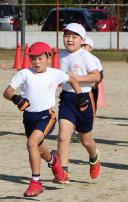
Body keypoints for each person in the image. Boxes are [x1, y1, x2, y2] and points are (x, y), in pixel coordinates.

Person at [2, 42, 85, 197]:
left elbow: (73, 80)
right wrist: (15, 98)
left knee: (31, 143)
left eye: (40, 58)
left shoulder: (55, 73)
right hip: (29, 118)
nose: (36, 62)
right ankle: (55, 163)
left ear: (48, 57)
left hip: (47, 116)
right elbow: (6, 92)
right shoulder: (24, 73)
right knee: (39, 150)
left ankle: (36, 182)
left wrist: (80, 97)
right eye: (33, 58)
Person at [57, 23, 101, 184]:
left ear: (81, 40)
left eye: (74, 37)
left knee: (86, 140)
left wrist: (74, 78)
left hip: (84, 99)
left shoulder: (86, 56)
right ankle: (63, 172)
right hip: (67, 99)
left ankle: (94, 157)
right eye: (66, 36)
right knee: (63, 137)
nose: (69, 40)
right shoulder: (61, 55)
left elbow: (96, 76)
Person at [71, 36, 104, 143]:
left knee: (89, 111)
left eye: (86, 46)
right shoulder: (74, 57)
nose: (83, 47)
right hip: (74, 90)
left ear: (91, 48)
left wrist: (96, 83)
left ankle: (85, 132)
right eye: (82, 45)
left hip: (90, 90)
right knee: (74, 110)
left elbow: (100, 74)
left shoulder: (94, 59)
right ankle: (74, 132)